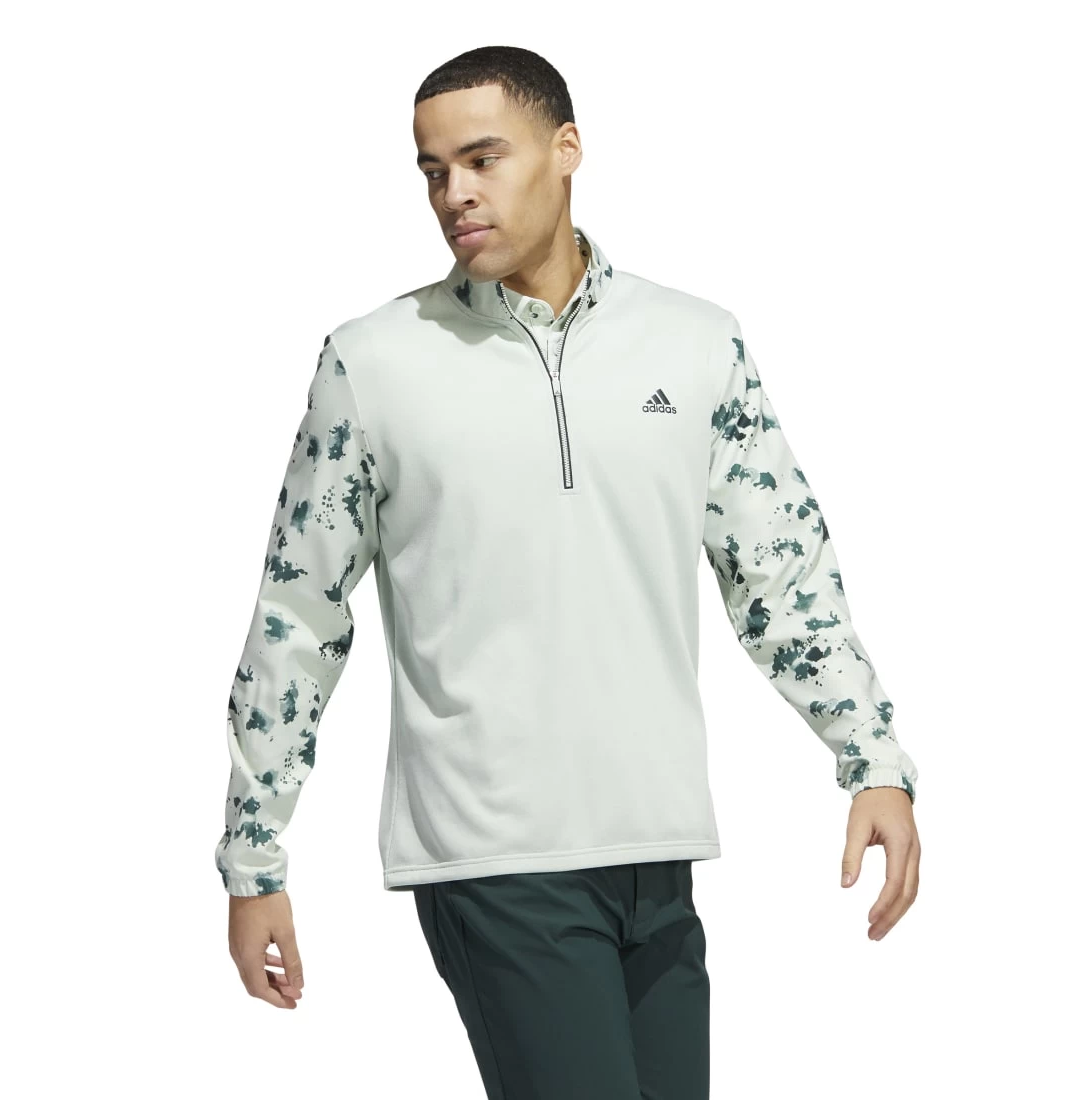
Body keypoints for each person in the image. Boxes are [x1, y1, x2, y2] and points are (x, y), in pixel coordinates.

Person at [216, 44, 921, 1099]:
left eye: (481, 159)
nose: (453, 193)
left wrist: (872, 760)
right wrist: (254, 856)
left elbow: (781, 576)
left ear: (566, 149)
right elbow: (297, 612)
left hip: (657, 846)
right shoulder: (375, 361)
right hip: (493, 856)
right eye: (432, 170)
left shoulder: (694, 344)